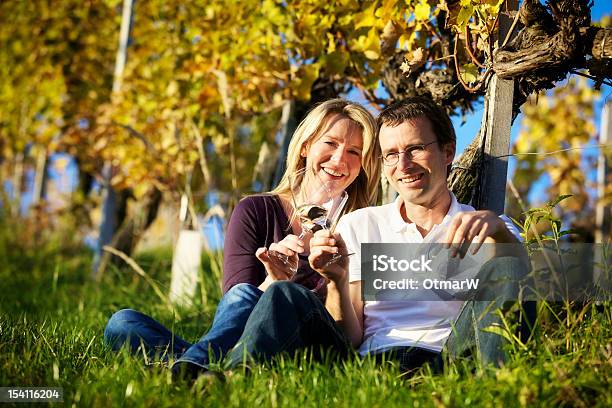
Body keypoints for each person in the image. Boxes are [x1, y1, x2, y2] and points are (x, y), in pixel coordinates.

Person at [221, 96, 525, 373]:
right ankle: (231, 380)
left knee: (510, 265)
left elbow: (526, 291)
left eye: (415, 149)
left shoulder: (492, 228)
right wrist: (338, 281)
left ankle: (500, 389)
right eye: (390, 154)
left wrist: (499, 234)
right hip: (374, 362)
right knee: (284, 293)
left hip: (453, 358)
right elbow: (349, 337)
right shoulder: (361, 225)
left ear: (447, 152)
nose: (403, 165)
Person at [103, 99, 382, 379]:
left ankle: (192, 365)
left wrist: (335, 281)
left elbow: (351, 336)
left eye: (354, 152)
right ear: (306, 146)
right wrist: (273, 279)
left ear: (363, 166)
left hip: (315, 349)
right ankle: (205, 372)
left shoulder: (362, 224)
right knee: (123, 323)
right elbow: (235, 308)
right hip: (244, 343)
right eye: (331, 143)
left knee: (286, 294)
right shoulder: (255, 210)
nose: (339, 159)